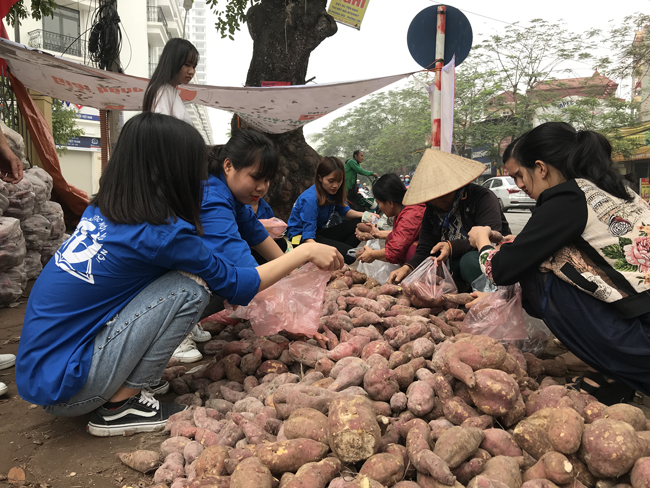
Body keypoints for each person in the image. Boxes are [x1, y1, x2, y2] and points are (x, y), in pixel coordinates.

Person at [15, 113, 343, 436]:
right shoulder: (163, 232)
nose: (200, 176)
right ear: (173, 170)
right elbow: (238, 282)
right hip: (71, 384)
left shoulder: (106, 208)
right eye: (193, 166)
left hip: (43, 372)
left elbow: (249, 236)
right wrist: (304, 252)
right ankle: (119, 407)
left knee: (185, 279)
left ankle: (122, 382)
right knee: (191, 287)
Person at [468, 122, 650, 404]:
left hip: (639, 340)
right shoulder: (611, 189)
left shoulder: (567, 197)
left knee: (535, 277)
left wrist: (482, 241)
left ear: (541, 168)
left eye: (520, 175)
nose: (519, 186)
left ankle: (615, 363)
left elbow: (501, 270)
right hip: (640, 322)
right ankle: (611, 372)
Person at [388, 149, 510, 291]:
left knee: (469, 261)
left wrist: (451, 246)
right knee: (430, 264)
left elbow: (492, 238)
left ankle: (490, 297)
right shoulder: (431, 209)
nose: (437, 201)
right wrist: (407, 268)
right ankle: (457, 293)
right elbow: (425, 248)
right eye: (432, 197)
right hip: (454, 264)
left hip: (490, 262)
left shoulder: (483, 198)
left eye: (442, 195)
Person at [196, 130, 287, 320]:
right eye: (256, 177)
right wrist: (283, 306)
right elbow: (236, 257)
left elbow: (255, 232)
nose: (262, 187)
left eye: (267, 180)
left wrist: (292, 274)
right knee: (228, 278)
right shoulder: (212, 195)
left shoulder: (233, 194)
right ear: (228, 165)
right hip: (166, 283)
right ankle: (183, 331)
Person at [287, 157, 368, 264]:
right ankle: (338, 259)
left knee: (358, 225)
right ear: (320, 178)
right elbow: (308, 236)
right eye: (331, 181)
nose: (335, 185)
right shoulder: (310, 200)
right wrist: (325, 253)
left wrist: (365, 215)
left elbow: (345, 212)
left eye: (339, 181)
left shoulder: (332, 193)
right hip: (301, 238)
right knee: (349, 255)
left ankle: (341, 255)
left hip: (318, 232)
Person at [357, 173, 425, 265]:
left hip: (429, 255)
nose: (379, 207)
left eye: (379, 202)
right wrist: (378, 233)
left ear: (390, 203)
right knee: (391, 237)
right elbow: (402, 234)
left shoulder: (411, 214)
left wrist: (372, 254)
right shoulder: (404, 210)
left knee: (411, 251)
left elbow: (394, 251)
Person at [142, 38, 198, 125]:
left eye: (194, 67)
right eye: (187, 65)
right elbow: (162, 129)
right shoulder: (161, 91)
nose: (191, 71)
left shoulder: (170, 91)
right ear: (173, 61)